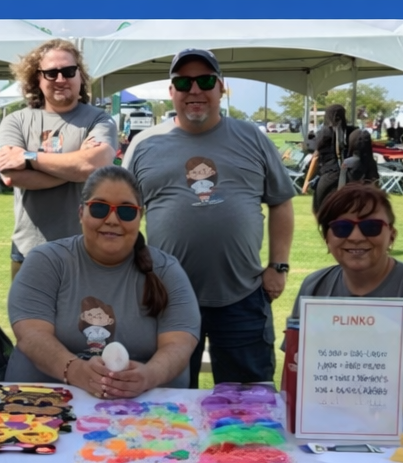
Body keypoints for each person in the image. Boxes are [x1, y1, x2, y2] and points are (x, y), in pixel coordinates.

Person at [125, 48, 296, 387]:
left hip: (242, 294)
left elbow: (281, 202)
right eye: (184, 82)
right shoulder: (144, 145)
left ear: (221, 88)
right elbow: (123, 212)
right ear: (171, 91)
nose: (195, 90)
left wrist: (278, 267)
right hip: (165, 296)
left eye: (205, 80)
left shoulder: (253, 138)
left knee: (248, 407)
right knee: (163, 404)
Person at [6, 166, 198, 396]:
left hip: (145, 414)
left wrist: (149, 376)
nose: (112, 219)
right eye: (99, 208)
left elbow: (179, 343)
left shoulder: (167, 270)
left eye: (126, 211)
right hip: (43, 408)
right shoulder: (46, 261)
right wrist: (75, 370)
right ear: (81, 212)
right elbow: (31, 334)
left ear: (140, 216)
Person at [293, 184, 403, 400]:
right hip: (325, 417)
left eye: (370, 227)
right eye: (342, 227)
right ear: (327, 237)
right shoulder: (313, 287)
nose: (355, 237)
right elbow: (296, 372)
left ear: (391, 235)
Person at [0, 39, 119, 279]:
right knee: (29, 317)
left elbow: (94, 165)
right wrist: (75, 169)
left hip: (86, 249)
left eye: (68, 71)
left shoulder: (100, 120)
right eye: (51, 73)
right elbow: (11, 174)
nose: (61, 79)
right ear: (37, 79)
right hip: (28, 249)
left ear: (80, 76)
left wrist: (28, 157)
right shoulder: (16, 121)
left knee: (90, 317)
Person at [302, 104, 353, 213]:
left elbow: (315, 158)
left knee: (319, 208)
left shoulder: (325, 132)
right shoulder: (351, 131)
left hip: (329, 174)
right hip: (348, 175)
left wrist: (306, 181)